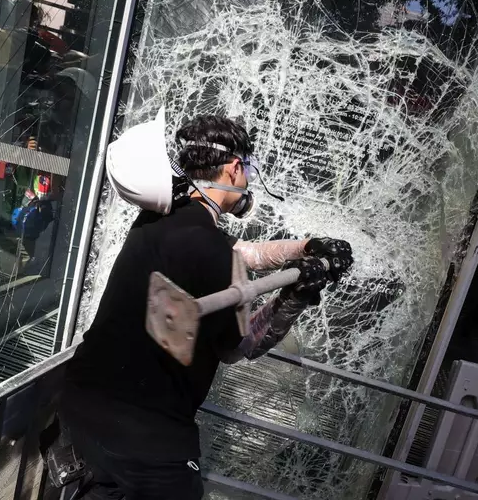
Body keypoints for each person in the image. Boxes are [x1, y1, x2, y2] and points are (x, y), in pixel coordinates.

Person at [58, 115, 353, 499]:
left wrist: (304, 248)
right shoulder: (212, 253)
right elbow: (241, 347)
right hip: (148, 441)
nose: (248, 179)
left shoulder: (157, 220)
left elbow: (241, 253)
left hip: (81, 407)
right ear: (233, 168)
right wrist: (295, 296)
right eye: (247, 170)